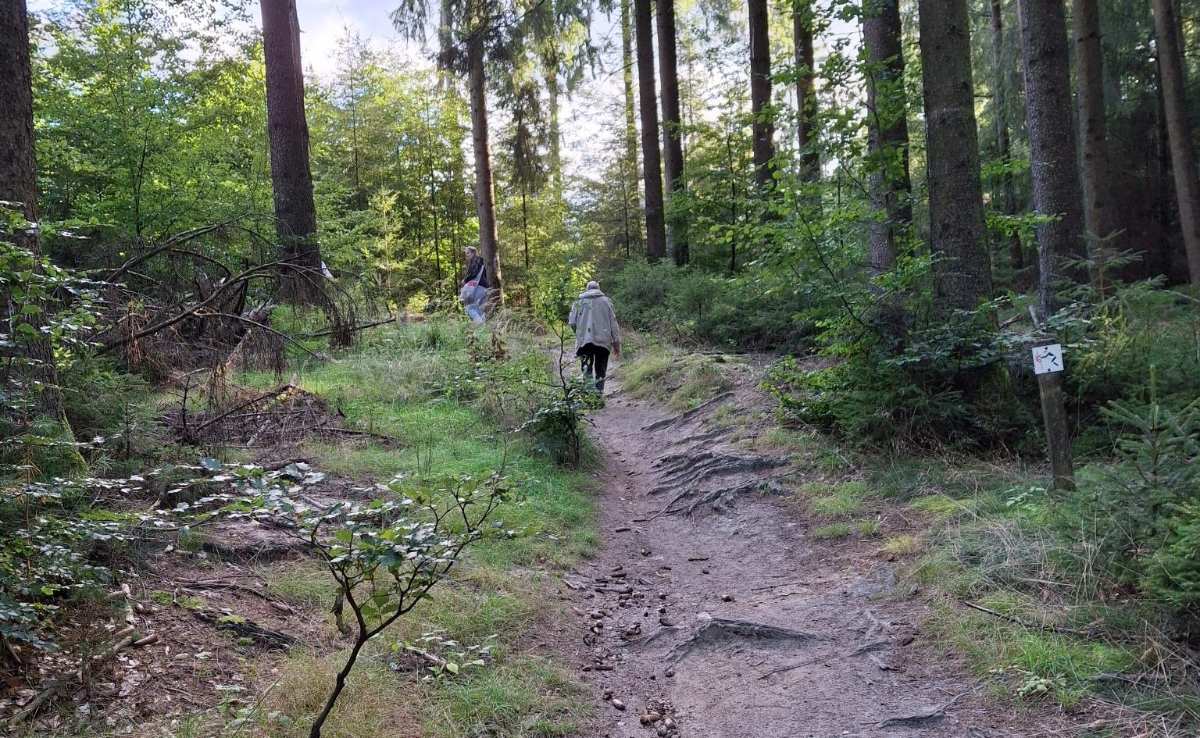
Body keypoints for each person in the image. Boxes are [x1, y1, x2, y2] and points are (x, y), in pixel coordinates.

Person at [568, 280, 621, 392]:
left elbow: (572, 322)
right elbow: (613, 324)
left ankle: (590, 395)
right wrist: (616, 344)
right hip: (603, 342)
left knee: (586, 369)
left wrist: (579, 334)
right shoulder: (607, 302)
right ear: (598, 289)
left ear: (587, 289)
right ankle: (599, 394)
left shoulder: (578, 302)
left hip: (584, 342)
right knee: (600, 370)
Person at [459, 246, 489, 323]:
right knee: (480, 310)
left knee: (469, 308)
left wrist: (465, 280)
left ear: (473, 253)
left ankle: (480, 324)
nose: (467, 255)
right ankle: (483, 328)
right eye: (466, 253)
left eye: (468, 253)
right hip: (484, 287)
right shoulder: (481, 261)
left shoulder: (476, 260)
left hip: (478, 287)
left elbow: (474, 273)